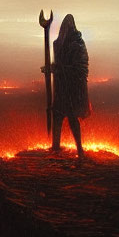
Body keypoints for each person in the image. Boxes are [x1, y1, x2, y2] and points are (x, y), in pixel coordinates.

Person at [43, 14, 90, 159]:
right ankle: (55, 147)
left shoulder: (78, 45)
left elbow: (79, 68)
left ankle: (80, 150)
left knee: (72, 116)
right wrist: (52, 68)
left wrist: (57, 69)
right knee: (57, 114)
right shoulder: (61, 44)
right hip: (62, 88)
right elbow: (60, 64)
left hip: (73, 89)